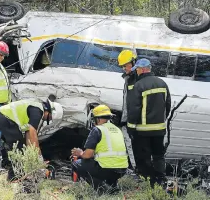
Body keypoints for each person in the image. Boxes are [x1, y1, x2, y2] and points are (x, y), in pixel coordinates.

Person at [0, 96, 63, 180]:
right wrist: (39, 158)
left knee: (20, 147)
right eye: (50, 118)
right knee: (19, 149)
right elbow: (32, 134)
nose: (47, 119)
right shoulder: (37, 112)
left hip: (2, 117)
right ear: (49, 112)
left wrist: (33, 154)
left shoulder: (36, 109)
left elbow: (29, 136)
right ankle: (14, 178)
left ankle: (17, 176)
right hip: (4, 118)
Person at [127, 58, 171, 187]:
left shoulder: (139, 85)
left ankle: (147, 181)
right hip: (159, 130)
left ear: (143, 69)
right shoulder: (162, 83)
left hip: (143, 131)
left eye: (138, 70)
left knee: (143, 157)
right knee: (158, 155)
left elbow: (134, 109)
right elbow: (167, 105)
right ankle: (160, 179)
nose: (138, 72)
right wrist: (161, 120)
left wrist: (131, 128)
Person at [71, 105, 128, 191]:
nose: (94, 122)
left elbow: (87, 155)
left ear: (98, 119)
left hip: (107, 169)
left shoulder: (97, 130)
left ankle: (102, 189)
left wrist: (80, 153)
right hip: (122, 170)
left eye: (94, 119)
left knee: (77, 164)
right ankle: (113, 186)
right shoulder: (117, 129)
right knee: (102, 165)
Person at [117, 49, 138, 169]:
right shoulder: (128, 79)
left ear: (133, 62)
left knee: (132, 145)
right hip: (128, 119)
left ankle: (137, 170)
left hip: (132, 121)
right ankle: (135, 168)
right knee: (129, 144)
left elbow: (135, 102)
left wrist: (130, 120)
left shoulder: (135, 79)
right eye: (123, 66)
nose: (124, 68)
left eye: (126, 65)